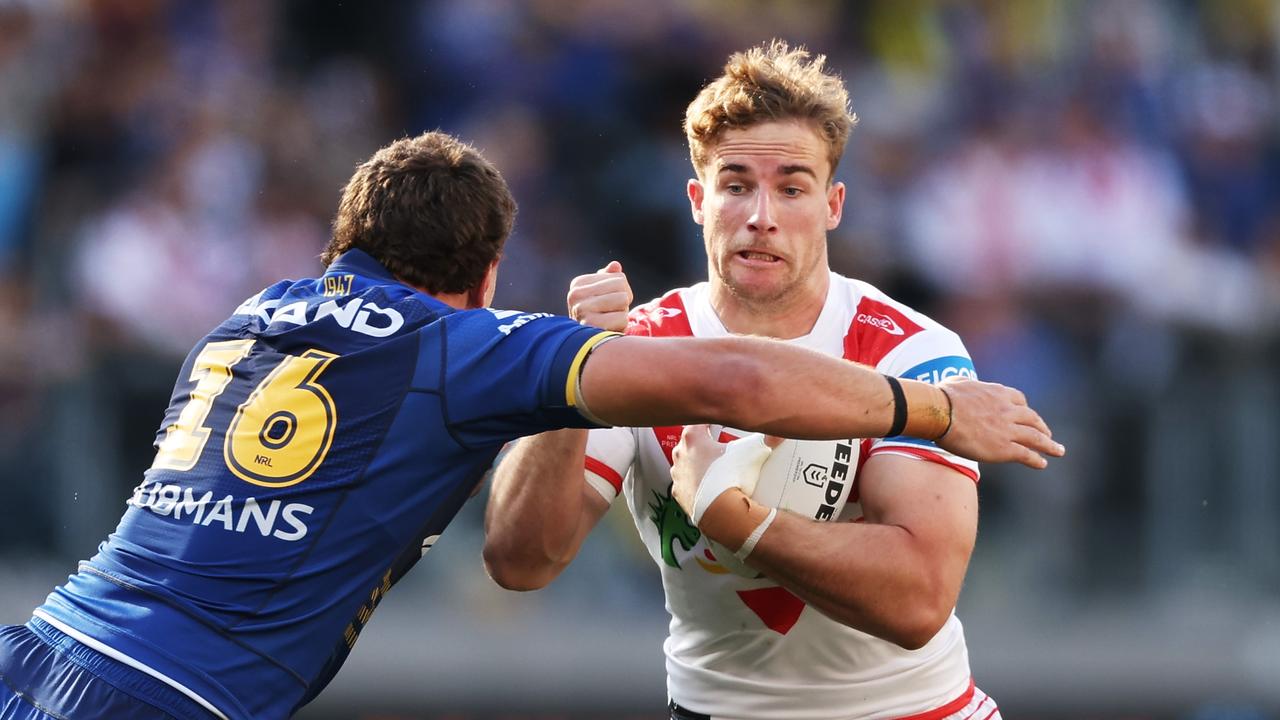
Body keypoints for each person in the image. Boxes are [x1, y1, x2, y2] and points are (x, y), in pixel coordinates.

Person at [0, 130, 1059, 720]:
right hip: (173, 697)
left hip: (39, 649)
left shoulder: (246, 320)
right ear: (487, 275)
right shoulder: (460, 347)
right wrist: (930, 409)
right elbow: (732, 381)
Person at [484, 41, 1031, 719]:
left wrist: (740, 523)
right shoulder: (638, 346)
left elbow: (918, 599)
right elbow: (521, 560)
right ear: (697, 200)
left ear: (833, 205)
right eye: (736, 184)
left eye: (792, 188)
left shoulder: (911, 350)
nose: (761, 215)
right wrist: (575, 369)